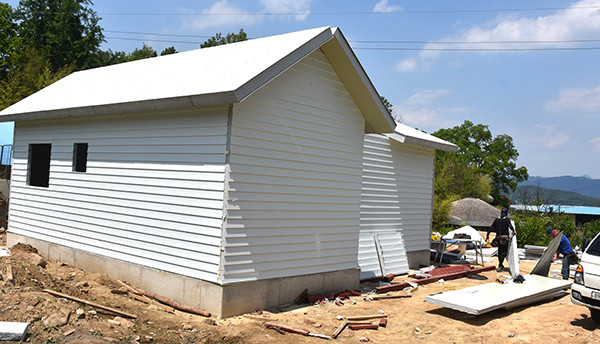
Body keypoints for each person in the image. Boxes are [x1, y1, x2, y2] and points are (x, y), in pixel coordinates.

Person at [486, 208, 515, 272]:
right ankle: (500, 264)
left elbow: (491, 227)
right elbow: (510, 225)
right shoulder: (507, 220)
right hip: (504, 239)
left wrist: (487, 235)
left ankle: (500, 264)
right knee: (503, 252)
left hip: (498, 239)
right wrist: (513, 231)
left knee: (500, 251)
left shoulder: (497, 220)